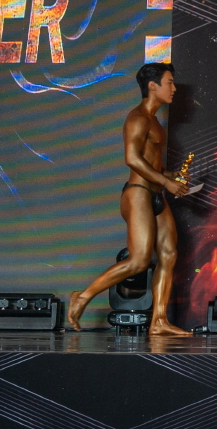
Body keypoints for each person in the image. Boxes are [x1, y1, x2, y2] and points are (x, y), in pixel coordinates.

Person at [66, 63, 192, 334]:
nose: (174, 88)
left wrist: (171, 176)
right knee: (139, 261)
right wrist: (166, 182)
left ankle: (159, 321)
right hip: (138, 194)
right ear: (153, 86)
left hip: (155, 194)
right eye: (169, 82)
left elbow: (150, 162)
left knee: (169, 254)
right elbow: (132, 159)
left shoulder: (154, 121)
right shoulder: (137, 118)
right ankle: (82, 296)